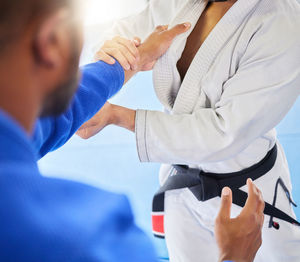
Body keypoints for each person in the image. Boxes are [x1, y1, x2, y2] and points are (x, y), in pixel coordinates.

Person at [0, 0, 265, 261]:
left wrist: (130, 62)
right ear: (54, 43)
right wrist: (235, 257)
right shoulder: (89, 243)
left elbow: (54, 117)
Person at [78, 0, 300, 261]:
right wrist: (115, 51)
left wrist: (119, 116)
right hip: (182, 187)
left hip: (250, 194)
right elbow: (123, 34)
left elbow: (223, 133)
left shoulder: (282, 21)